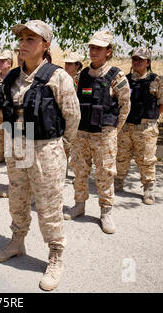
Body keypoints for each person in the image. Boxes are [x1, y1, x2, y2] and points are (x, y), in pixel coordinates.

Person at [0, 20, 80, 291]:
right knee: (17, 200)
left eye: (31, 39)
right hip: (18, 148)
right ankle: (17, 242)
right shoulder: (12, 78)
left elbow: (72, 116)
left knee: (49, 206)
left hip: (46, 149)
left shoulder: (58, 77)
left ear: (45, 45)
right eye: (22, 38)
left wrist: (60, 149)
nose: (23, 43)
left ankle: (55, 256)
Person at [64, 30, 131, 234]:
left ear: (108, 51)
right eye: (92, 47)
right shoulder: (82, 75)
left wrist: (113, 131)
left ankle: (106, 211)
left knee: (104, 173)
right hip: (82, 132)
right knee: (79, 169)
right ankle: (79, 204)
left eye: (98, 48)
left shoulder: (116, 76)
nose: (93, 51)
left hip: (104, 133)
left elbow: (125, 106)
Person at [115, 47, 163, 205]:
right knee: (121, 157)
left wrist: (152, 116)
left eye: (141, 59)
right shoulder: (124, 80)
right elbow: (117, 100)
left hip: (146, 128)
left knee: (147, 159)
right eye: (134, 59)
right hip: (125, 127)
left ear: (148, 62)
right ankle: (118, 181)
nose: (137, 62)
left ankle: (148, 188)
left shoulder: (157, 80)